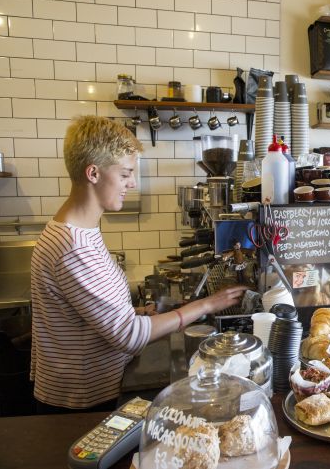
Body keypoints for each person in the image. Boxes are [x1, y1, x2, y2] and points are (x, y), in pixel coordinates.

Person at [30, 115, 246, 414]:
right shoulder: (74, 247)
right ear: (93, 173)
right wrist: (207, 305)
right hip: (80, 402)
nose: (132, 183)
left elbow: (83, 313)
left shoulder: (79, 230)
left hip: (87, 388)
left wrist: (133, 311)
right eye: (124, 174)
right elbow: (129, 336)